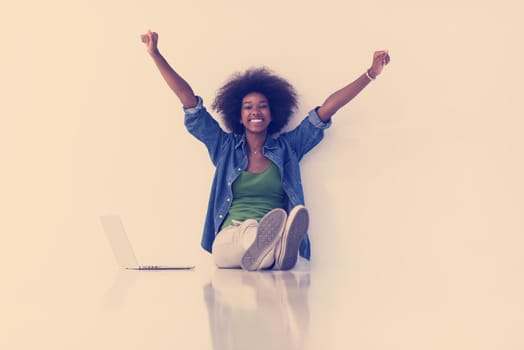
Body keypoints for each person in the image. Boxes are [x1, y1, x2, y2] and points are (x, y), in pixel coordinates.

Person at [141, 30, 389, 271]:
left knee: (255, 246)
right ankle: (273, 249)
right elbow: (190, 102)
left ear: (273, 114)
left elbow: (327, 109)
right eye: (248, 107)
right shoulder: (224, 147)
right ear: (239, 117)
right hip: (231, 234)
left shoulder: (288, 148)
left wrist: (371, 74)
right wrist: (156, 55)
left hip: (269, 229)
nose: (255, 112)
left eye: (262, 106)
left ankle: (270, 248)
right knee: (225, 249)